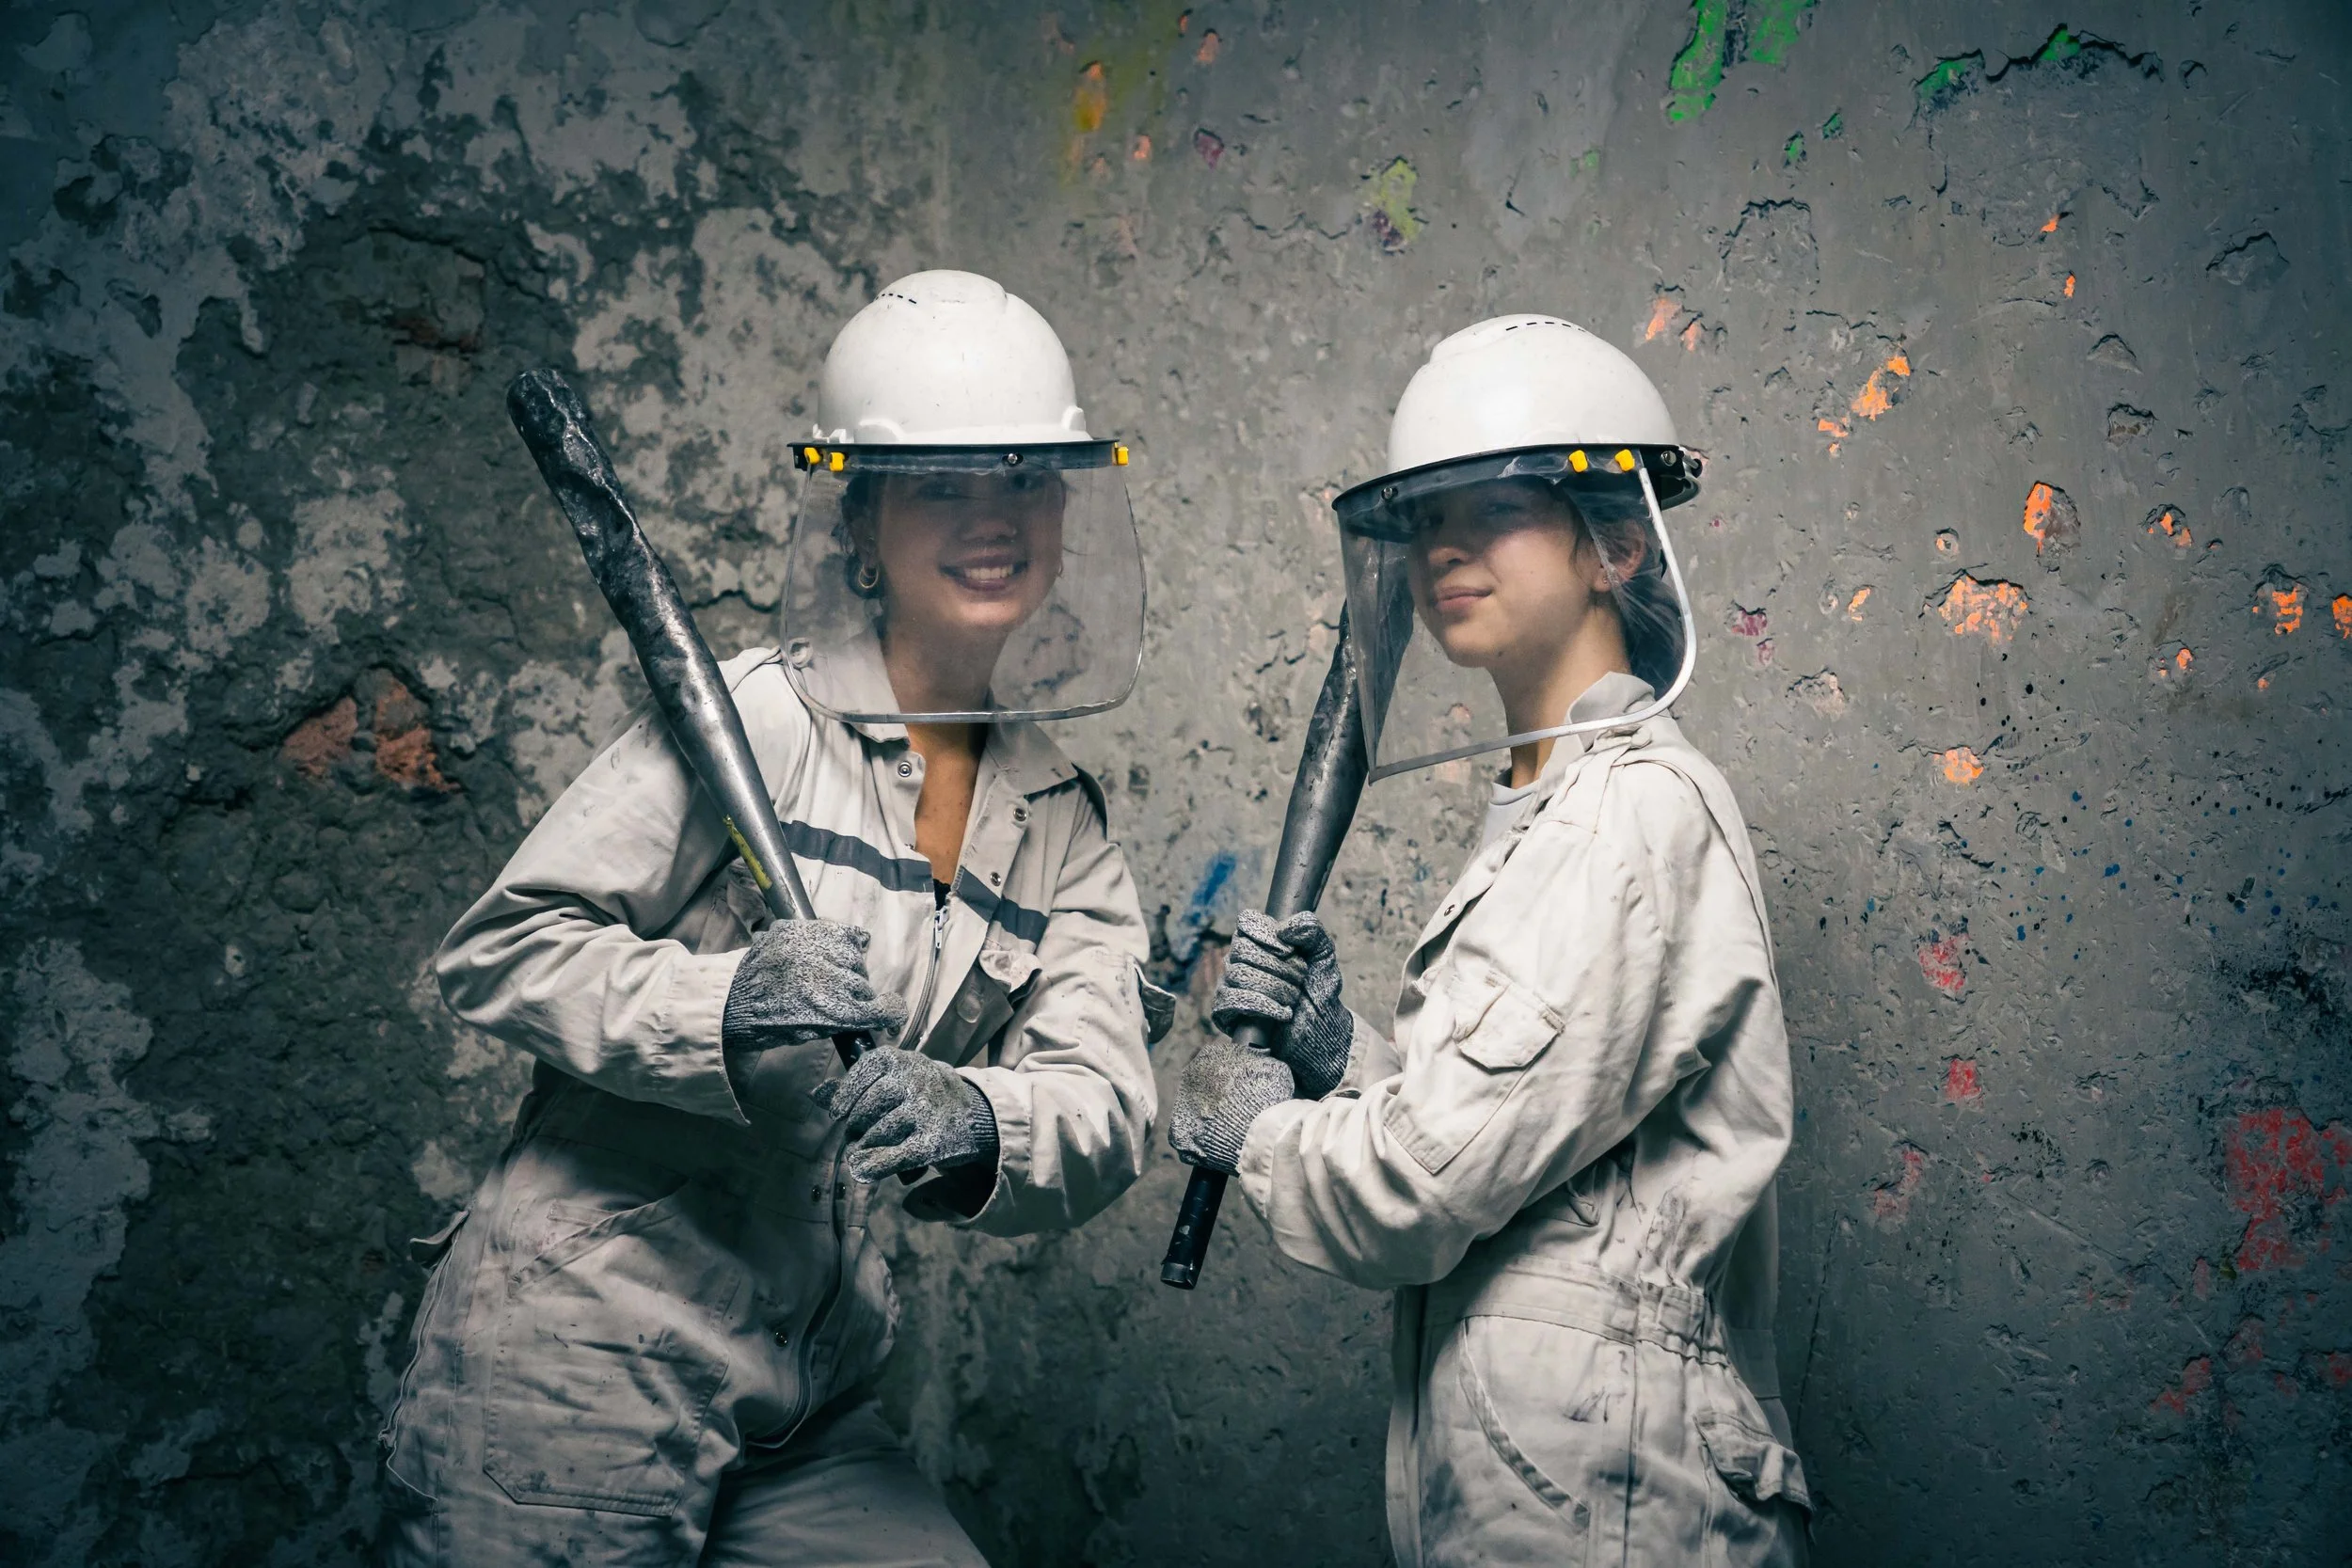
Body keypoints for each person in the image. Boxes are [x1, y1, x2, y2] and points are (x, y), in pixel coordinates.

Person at [380, 271, 1170, 1566]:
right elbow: (503, 950)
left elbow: (1106, 1099)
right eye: (941, 485)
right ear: (860, 520)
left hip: (808, 1381)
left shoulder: (1059, 818)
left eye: (1026, 477)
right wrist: (727, 1009)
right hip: (578, 1353)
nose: (993, 516)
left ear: (1066, 509)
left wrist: (981, 1118)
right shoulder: (760, 716)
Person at [1170, 315, 1808, 1566]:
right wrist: (1338, 1057)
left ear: (1617, 543)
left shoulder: (1628, 815)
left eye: (1497, 507)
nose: (1443, 547)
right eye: (1422, 518)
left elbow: (1425, 1190)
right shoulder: (1549, 813)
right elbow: (1528, 1155)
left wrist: (1262, 1131)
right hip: (1551, 1481)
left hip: (1622, 1508)